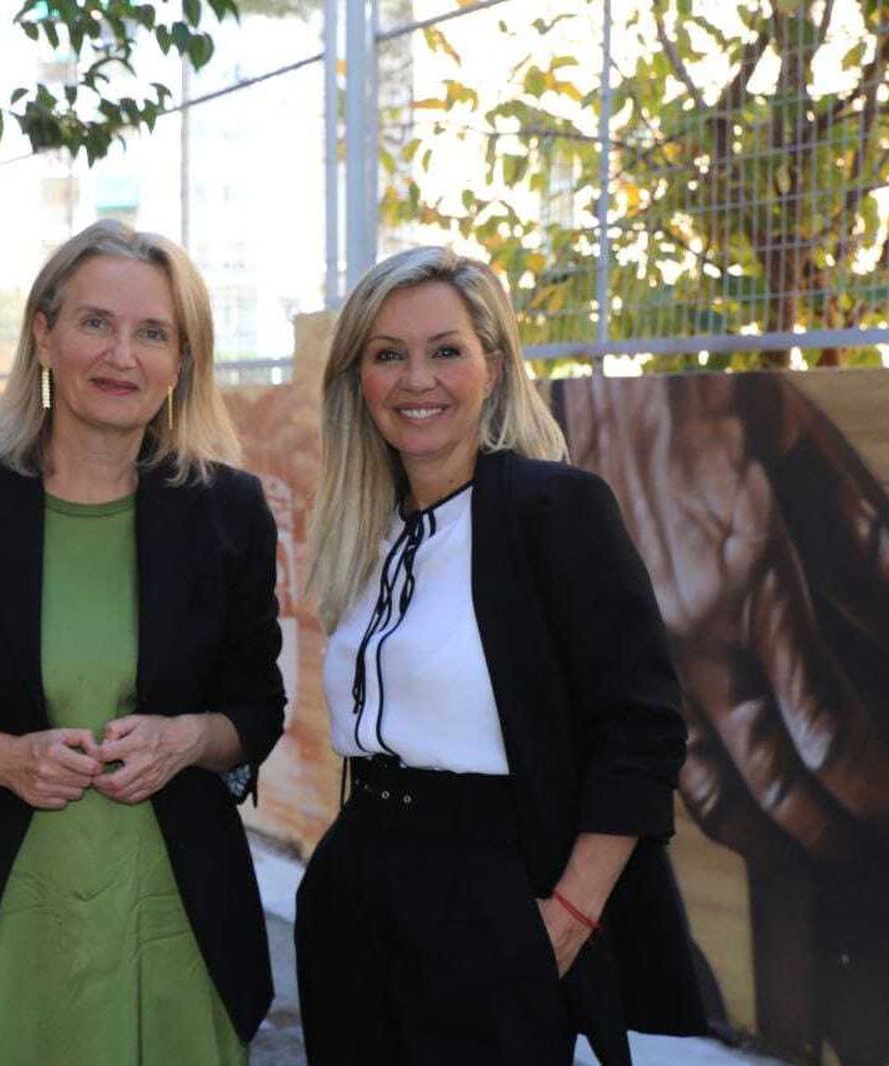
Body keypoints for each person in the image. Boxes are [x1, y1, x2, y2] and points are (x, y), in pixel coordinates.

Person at [0, 220, 286, 1065]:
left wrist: (188, 738)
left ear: (182, 359)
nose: (123, 355)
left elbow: (255, 710)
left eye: (153, 332)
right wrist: (5, 759)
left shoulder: (228, 510)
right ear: (44, 334)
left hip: (171, 926)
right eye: (96, 323)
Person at [296, 246, 707, 1065]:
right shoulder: (364, 531)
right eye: (388, 355)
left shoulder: (553, 509)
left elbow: (644, 730)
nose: (418, 380)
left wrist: (569, 918)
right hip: (354, 885)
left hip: (489, 895)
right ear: (358, 380)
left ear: (493, 365)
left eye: (446, 350)